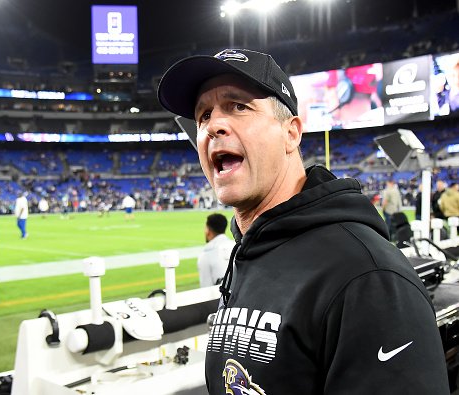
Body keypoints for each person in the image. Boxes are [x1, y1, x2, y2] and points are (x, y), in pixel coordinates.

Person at [157, 48, 448, 394]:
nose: (213, 125)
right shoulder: (250, 252)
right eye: (203, 115)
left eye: (238, 106)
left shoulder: (368, 278)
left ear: (291, 133)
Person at [197, 213, 235, 287]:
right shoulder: (236, 247)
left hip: (220, 297)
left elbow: (206, 289)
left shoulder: (205, 255)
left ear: (208, 230)